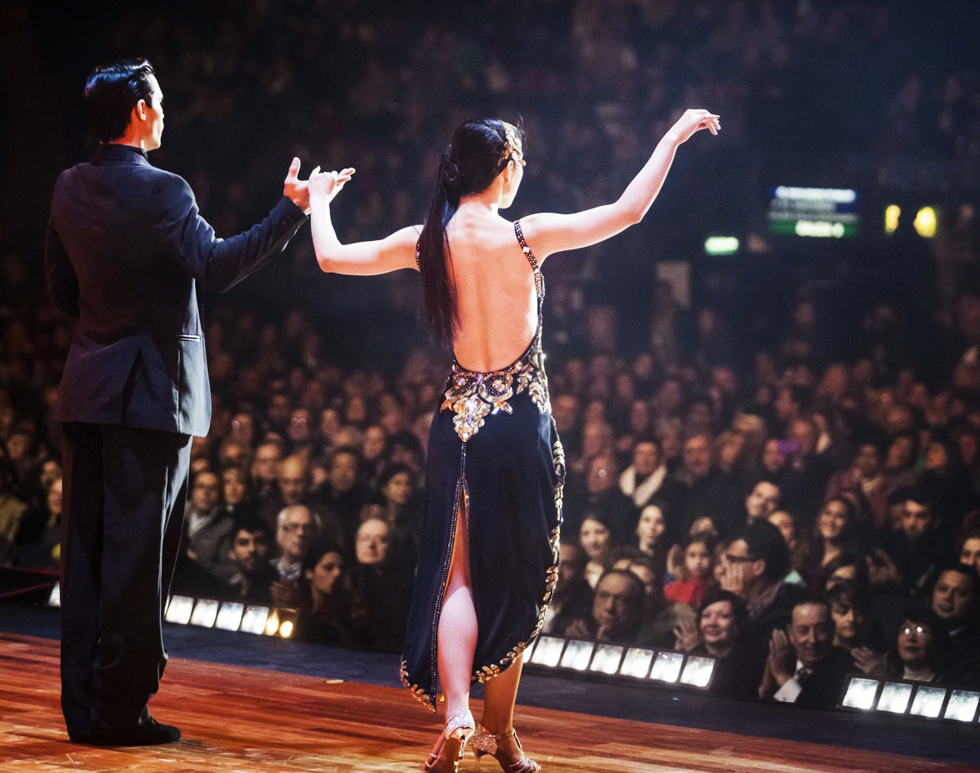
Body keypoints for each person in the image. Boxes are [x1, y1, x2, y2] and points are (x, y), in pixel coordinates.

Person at [308, 109, 719, 772]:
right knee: (520, 581)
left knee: (459, 580)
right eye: (520, 161)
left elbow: (330, 258)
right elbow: (629, 210)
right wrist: (671, 136)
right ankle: (495, 728)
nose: (523, 172)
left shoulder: (428, 241)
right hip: (517, 423)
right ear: (503, 168)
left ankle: (462, 716)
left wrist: (320, 202)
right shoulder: (527, 236)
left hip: (458, 423)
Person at [46, 59, 311, 746]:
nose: (165, 113)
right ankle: (120, 712)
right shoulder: (165, 191)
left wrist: (106, 327)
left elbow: (61, 292)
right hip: (150, 396)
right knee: (135, 560)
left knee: (85, 557)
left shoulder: (68, 186)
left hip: (87, 387)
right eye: (158, 102)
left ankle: (84, 708)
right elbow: (217, 265)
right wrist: (291, 211)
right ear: (138, 110)